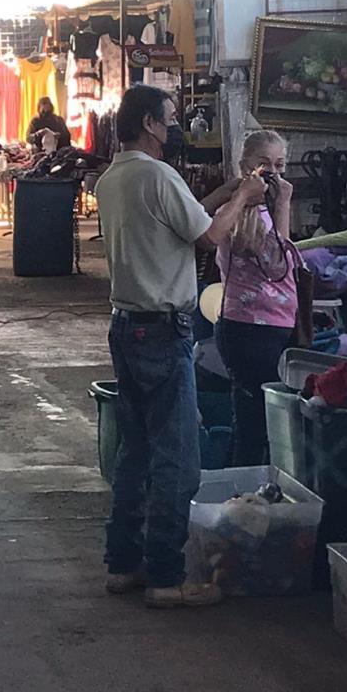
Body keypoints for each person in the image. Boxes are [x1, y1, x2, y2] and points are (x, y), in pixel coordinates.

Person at [95, 85, 267, 609]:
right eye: (170, 119)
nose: (174, 128)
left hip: (127, 325)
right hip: (163, 329)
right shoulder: (157, 174)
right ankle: (167, 577)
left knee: (137, 451)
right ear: (149, 123)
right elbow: (208, 239)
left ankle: (124, 565)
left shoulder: (113, 178)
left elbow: (188, 220)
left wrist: (228, 190)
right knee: (178, 460)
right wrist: (242, 200)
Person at [201, 130, 298, 467]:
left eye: (279, 165)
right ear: (246, 168)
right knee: (255, 424)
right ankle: (245, 499)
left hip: (267, 326)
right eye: (264, 165)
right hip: (251, 329)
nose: (273, 174)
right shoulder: (242, 213)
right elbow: (276, 262)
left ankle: (245, 492)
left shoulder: (262, 212)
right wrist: (283, 206)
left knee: (253, 419)